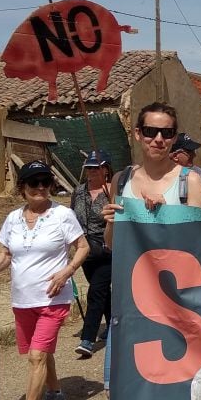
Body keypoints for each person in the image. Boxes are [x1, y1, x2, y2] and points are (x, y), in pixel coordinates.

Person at [102, 102, 201, 400]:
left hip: (176, 307)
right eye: (151, 131)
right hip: (130, 303)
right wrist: (113, 218)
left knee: (166, 384)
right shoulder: (121, 180)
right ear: (137, 133)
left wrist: (164, 217)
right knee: (126, 383)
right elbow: (112, 245)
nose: (159, 139)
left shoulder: (190, 182)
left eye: (167, 133)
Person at [0, 161, 89, 400]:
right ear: (22, 188)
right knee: (43, 352)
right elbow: (7, 253)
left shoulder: (62, 215)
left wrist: (67, 272)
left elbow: (83, 247)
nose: (40, 188)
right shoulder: (13, 218)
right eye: (33, 183)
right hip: (23, 300)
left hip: (53, 298)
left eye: (45, 182)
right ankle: (55, 394)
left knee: (36, 356)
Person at [70, 150, 113, 358]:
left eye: (95, 168)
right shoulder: (78, 192)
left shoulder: (112, 192)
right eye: (88, 168)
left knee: (96, 292)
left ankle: (87, 340)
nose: (91, 173)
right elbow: (71, 220)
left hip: (107, 249)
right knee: (102, 292)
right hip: (85, 251)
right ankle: (114, 323)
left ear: (105, 170)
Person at [169, 133, 201, 211]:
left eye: (193, 151)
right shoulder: (162, 176)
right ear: (175, 156)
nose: (194, 155)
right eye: (189, 152)